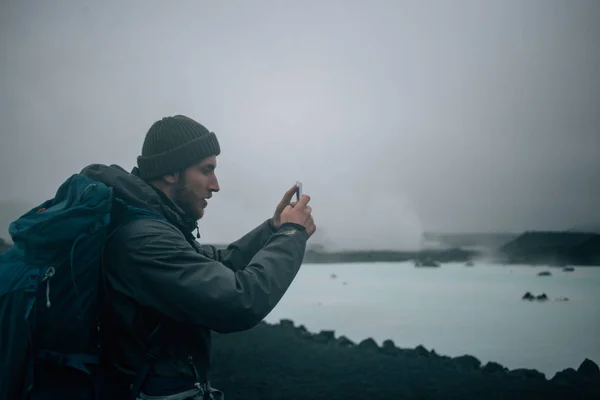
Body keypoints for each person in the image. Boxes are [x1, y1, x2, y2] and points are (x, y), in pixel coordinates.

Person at [80, 115, 316, 399]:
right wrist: (292, 235)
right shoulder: (144, 239)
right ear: (171, 172)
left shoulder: (158, 226)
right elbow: (239, 302)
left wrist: (273, 229)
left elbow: (221, 262)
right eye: (206, 170)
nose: (215, 185)